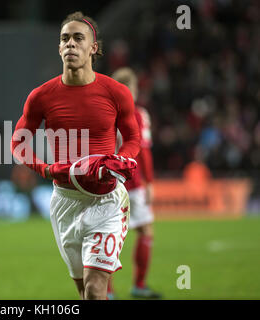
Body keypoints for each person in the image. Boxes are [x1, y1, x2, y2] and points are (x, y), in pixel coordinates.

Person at [11, 12, 140, 300]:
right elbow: (18, 142)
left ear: (93, 47)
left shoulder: (116, 93)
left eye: (78, 38)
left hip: (106, 200)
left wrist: (124, 159)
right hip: (65, 202)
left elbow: (133, 138)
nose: (70, 43)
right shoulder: (41, 96)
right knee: (83, 291)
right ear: (59, 48)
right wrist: (45, 169)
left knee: (96, 290)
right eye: (64, 39)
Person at [108, 67, 162, 299]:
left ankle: (107, 291)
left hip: (109, 183)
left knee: (107, 236)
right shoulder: (139, 114)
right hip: (133, 182)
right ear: (130, 88)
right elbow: (145, 151)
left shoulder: (104, 114)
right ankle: (139, 285)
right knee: (146, 231)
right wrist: (150, 182)